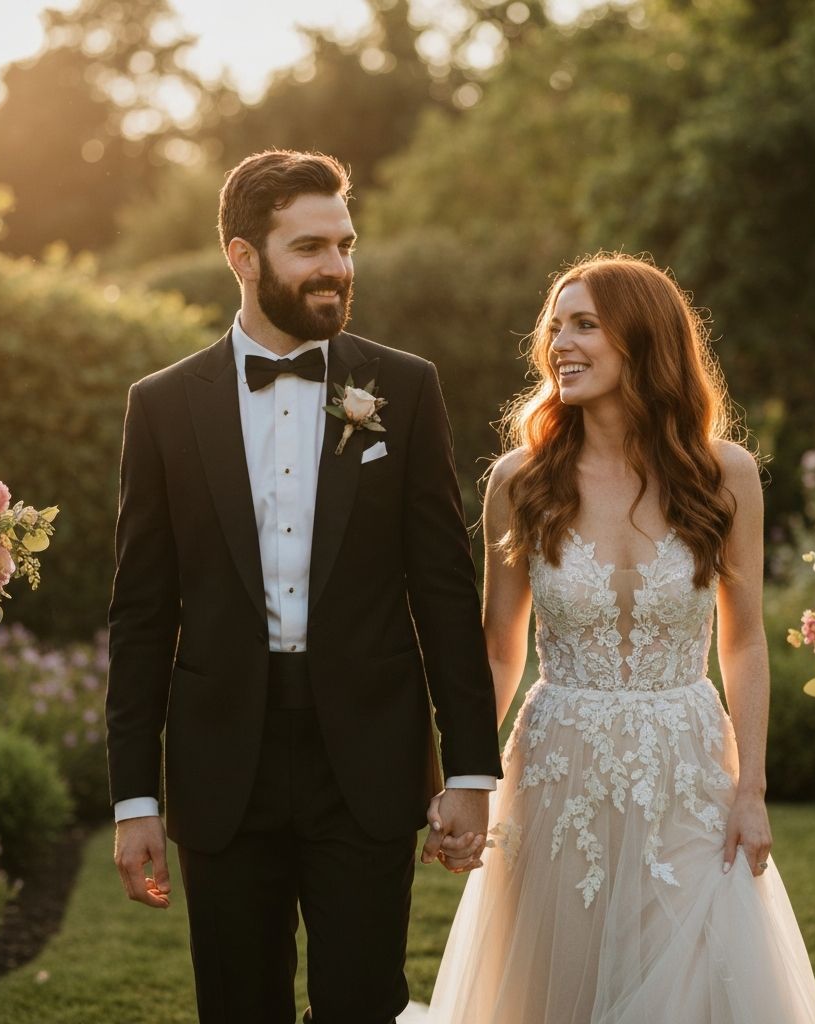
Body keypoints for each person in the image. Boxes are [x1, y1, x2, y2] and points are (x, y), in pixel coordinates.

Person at [105, 148, 501, 1024]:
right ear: (243, 257)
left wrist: (471, 767)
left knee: (363, 1004)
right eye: (310, 247)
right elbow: (140, 614)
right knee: (238, 1007)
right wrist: (135, 798)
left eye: (346, 244)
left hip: (365, 756)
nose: (337, 267)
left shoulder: (404, 385)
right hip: (221, 765)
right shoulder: (163, 405)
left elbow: (443, 586)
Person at [426, 254, 815, 1022]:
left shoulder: (724, 474)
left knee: (691, 986)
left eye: (584, 325)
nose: (559, 344)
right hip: (554, 769)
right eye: (555, 326)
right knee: (558, 990)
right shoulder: (520, 479)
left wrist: (751, 790)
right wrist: (468, 779)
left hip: (686, 770)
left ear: (644, 341)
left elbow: (742, 643)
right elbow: (500, 648)